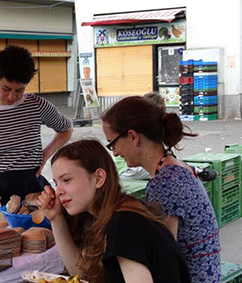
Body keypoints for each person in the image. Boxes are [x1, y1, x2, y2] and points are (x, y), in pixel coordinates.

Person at [101, 96, 220, 283]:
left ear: (133, 136)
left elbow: (163, 256)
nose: (114, 152)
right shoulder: (176, 167)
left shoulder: (165, 183)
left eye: (112, 144)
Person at [37, 139, 191, 283]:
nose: (58, 191)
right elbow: (80, 273)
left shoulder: (125, 223)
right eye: (56, 183)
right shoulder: (101, 216)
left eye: (66, 180)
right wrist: (56, 218)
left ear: (98, 178)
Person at [0, 45, 73, 227]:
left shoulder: (36, 105)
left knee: (38, 246)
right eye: (6, 89)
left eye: (19, 90)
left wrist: (45, 155)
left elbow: (66, 128)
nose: (12, 96)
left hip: (33, 192)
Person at [119, 91, 217, 182]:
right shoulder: (139, 128)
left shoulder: (147, 128)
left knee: (163, 166)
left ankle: (191, 169)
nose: (114, 152)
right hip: (127, 170)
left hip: (134, 170)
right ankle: (192, 169)